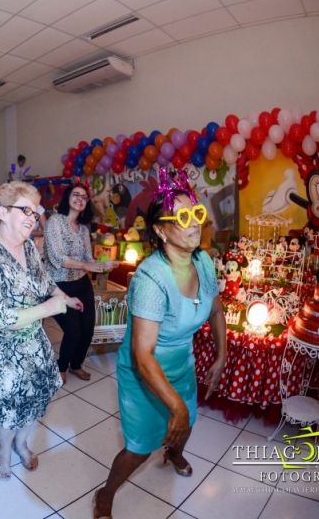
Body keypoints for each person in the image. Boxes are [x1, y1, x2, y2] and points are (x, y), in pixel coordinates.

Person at [93, 170, 226, 519]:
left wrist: (221, 355)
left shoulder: (204, 261)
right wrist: (176, 407)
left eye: (196, 213)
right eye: (183, 217)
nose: (195, 224)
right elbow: (142, 355)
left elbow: (215, 307)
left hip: (181, 363)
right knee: (139, 448)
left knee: (188, 422)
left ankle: (174, 454)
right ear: (161, 230)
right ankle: (105, 495)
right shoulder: (152, 278)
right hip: (145, 374)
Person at [0, 181, 82, 480]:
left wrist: (63, 297)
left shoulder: (30, 247)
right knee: (9, 401)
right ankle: (3, 451)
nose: (33, 217)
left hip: (30, 334)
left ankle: (22, 441)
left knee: (43, 390)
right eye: (26, 210)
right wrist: (49, 309)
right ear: (3, 213)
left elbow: (44, 282)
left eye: (36, 211)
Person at [45, 184, 115, 384]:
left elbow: (88, 257)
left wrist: (103, 265)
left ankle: (76, 365)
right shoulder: (55, 222)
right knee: (73, 330)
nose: (80, 199)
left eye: (84, 197)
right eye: (76, 194)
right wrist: (87, 264)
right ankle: (61, 367)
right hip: (59, 286)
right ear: (67, 197)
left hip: (82, 283)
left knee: (87, 329)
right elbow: (57, 258)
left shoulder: (84, 229)